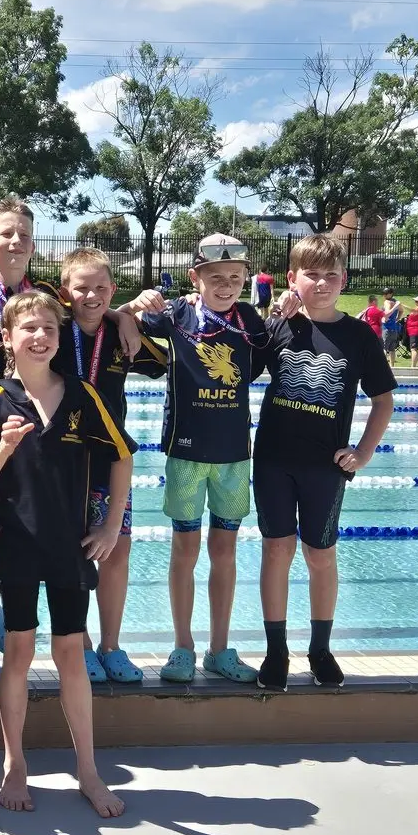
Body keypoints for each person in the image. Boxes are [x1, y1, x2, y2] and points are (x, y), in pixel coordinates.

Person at [0, 196, 139, 693]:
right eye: (6, 233)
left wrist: (124, 316)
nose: (16, 242)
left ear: (34, 244)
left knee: (21, 538)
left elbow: (89, 308)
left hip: (33, 444)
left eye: (24, 235)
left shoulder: (46, 296)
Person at [0, 290, 134, 818]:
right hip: (16, 549)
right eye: (29, 328)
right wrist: (3, 447)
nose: (41, 336)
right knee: (17, 655)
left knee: (71, 657)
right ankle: (15, 764)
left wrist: (109, 524)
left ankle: (88, 770)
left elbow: (122, 457)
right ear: (8, 339)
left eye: (50, 329)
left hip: (69, 548)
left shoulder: (82, 395)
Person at [122, 234, 270, 684]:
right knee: (185, 550)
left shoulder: (251, 322)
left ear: (245, 279)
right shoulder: (177, 314)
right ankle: (182, 646)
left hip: (233, 457)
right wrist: (136, 305)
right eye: (215, 277)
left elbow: (264, 361)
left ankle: (219, 648)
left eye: (235, 277)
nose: (225, 285)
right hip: (185, 454)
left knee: (224, 552)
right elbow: (116, 317)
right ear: (195, 277)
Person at [253, 234, 396, 691]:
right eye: (310, 274)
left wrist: (364, 452)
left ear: (344, 280)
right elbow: (243, 365)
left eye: (331, 274)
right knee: (277, 550)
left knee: (321, 554)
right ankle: (277, 650)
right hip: (274, 459)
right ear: (292, 278)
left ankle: (320, 649)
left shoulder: (357, 335)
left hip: (324, 467)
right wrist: (273, 314)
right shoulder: (280, 325)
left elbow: (383, 400)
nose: (321, 282)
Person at [51, 248, 166, 685]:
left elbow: (163, 364)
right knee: (70, 554)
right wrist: (123, 313)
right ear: (66, 293)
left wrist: (126, 318)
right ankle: (79, 641)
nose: (92, 295)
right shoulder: (55, 329)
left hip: (109, 460)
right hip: (61, 460)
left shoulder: (124, 336)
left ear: (113, 290)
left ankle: (111, 643)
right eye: (82, 287)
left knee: (117, 551)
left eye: (102, 288)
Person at [380, 288, 403, 365]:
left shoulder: (387, 302)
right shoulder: (396, 301)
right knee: (392, 349)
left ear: (390, 294)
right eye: (383, 294)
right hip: (394, 328)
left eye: (386, 294)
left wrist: (393, 308)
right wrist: (397, 318)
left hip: (386, 327)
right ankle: (392, 366)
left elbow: (386, 314)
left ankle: (382, 365)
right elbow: (401, 310)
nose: (384, 295)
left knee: (384, 347)